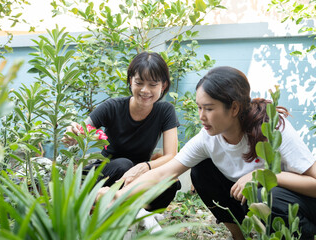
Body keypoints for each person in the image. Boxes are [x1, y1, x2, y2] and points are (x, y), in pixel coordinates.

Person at [100, 66, 316, 239]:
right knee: (201, 171)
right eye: (199, 107)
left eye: (209, 108)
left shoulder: (273, 128)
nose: (201, 116)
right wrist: (116, 195)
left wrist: (264, 176)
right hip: (252, 206)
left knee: (265, 194)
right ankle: (239, 237)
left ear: (234, 108)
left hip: (301, 209)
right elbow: (163, 173)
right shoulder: (208, 137)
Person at [63, 51, 181, 211]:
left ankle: (138, 215)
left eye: (153, 85)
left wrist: (145, 167)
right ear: (131, 80)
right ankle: (96, 204)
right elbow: (83, 128)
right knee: (123, 165)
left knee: (171, 183)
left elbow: (171, 156)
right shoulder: (113, 106)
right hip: (106, 171)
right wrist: (73, 132)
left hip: (137, 173)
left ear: (163, 85)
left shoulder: (165, 111)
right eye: (139, 82)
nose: (145, 90)